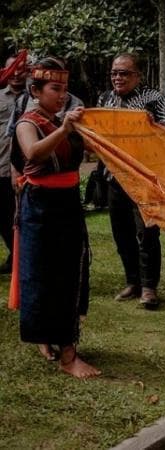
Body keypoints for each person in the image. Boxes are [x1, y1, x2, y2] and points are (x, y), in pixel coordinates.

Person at [12, 58, 100, 378]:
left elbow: (92, 151)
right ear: (36, 91)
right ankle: (63, 352)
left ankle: (62, 343)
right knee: (43, 276)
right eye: (55, 88)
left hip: (68, 204)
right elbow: (32, 153)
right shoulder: (28, 122)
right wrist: (64, 128)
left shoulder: (66, 120)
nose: (62, 95)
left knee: (71, 274)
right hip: (40, 206)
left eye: (65, 88)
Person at [97, 53, 165, 309]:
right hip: (113, 177)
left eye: (124, 73)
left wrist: (152, 128)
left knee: (147, 233)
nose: (118, 77)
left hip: (144, 179)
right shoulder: (105, 99)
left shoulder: (154, 98)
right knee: (122, 233)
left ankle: (149, 286)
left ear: (138, 75)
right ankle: (133, 281)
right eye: (114, 73)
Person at [0, 55, 27, 274]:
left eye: (21, 69)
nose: (17, 73)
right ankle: (15, 255)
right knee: (3, 216)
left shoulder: (34, 98)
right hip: (1, 166)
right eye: (12, 69)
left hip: (27, 168)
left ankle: (24, 257)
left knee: (23, 215)